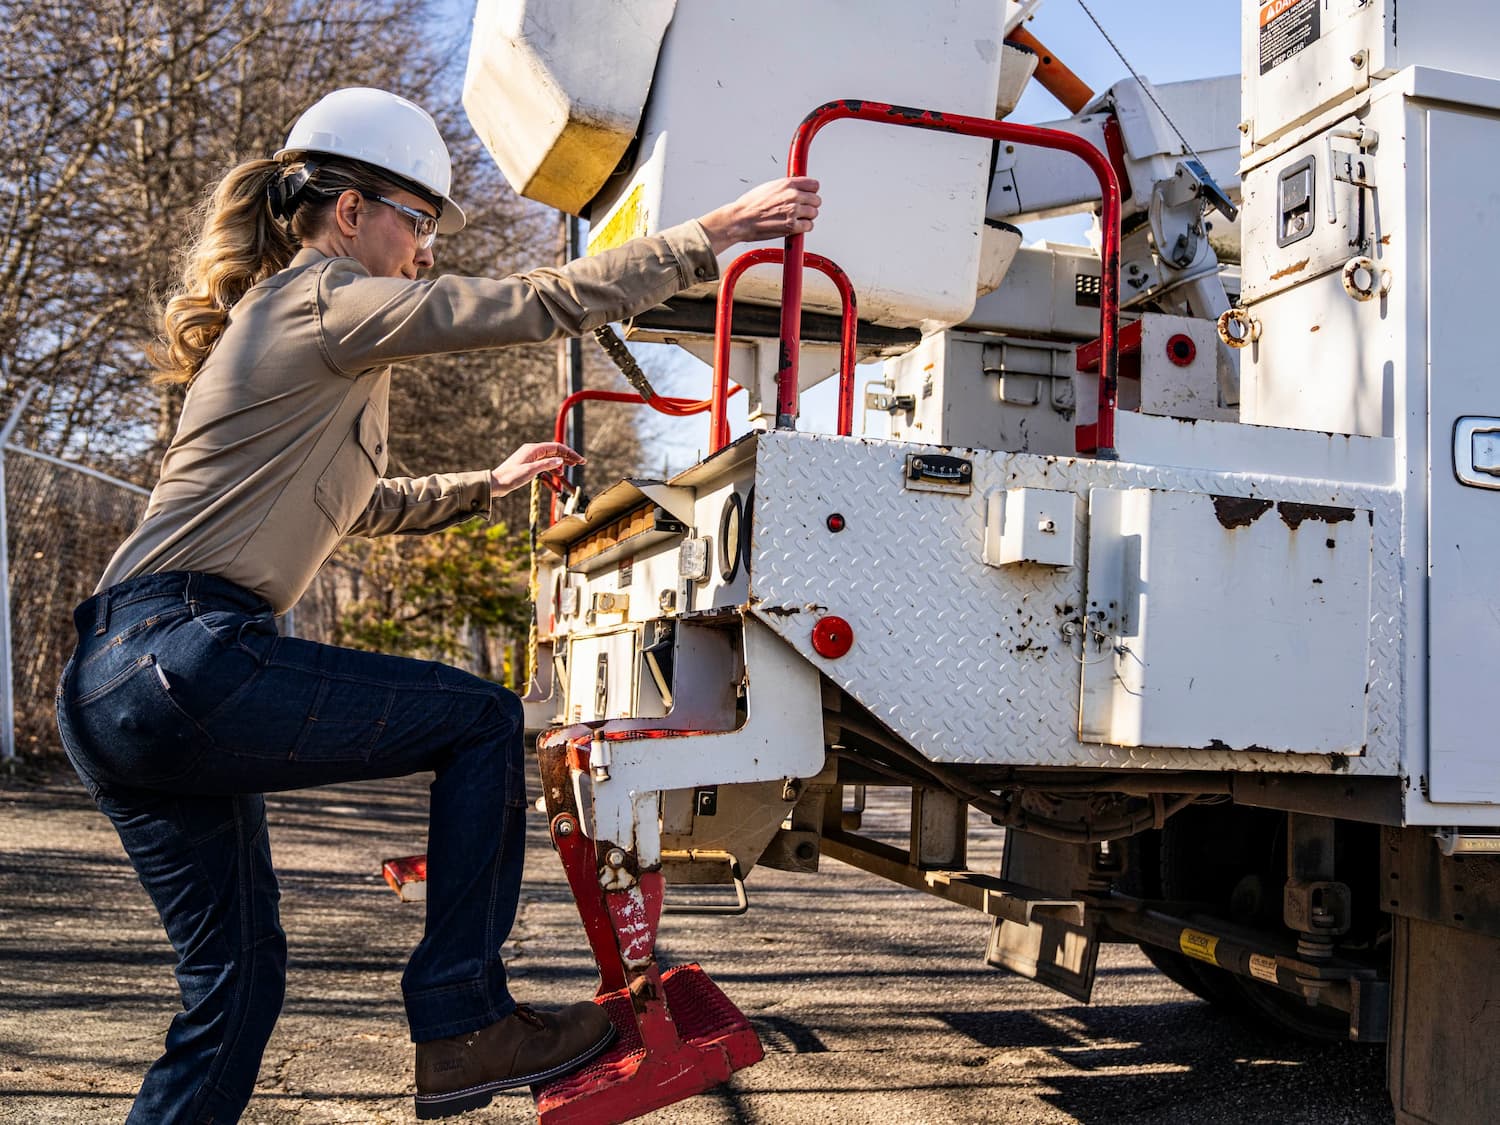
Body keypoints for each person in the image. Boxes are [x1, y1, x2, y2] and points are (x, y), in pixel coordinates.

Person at [53, 86, 819, 1124]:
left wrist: (486, 485)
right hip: (180, 655)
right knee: (479, 718)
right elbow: (526, 301)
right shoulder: (316, 295)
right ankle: (462, 1019)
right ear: (349, 209)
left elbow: (358, 506)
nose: (421, 253)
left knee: (235, 988)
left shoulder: (300, 337)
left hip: (119, 683)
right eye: (416, 225)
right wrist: (707, 238)